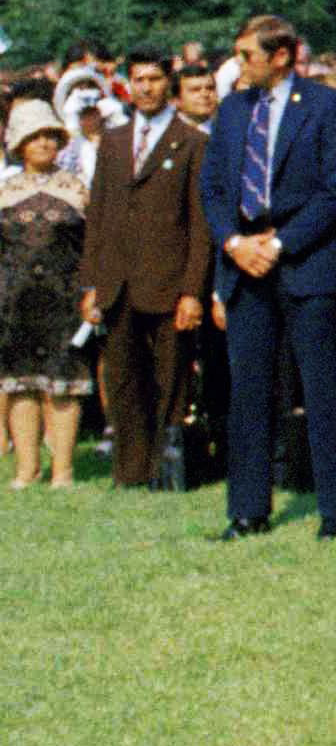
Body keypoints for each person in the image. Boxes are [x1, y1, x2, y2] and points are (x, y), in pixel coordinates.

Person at [204, 17, 336, 539]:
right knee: (248, 391)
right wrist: (234, 243)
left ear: (280, 56)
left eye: (247, 54)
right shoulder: (233, 109)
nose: (238, 64)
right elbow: (213, 188)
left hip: (306, 262)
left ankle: (335, 506)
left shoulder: (325, 106)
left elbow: (335, 191)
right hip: (245, 264)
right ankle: (248, 509)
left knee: (320, 387)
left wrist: (278, 244)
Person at [76, 49, 211, 490]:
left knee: (171, 377)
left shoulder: (191, 141)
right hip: (118, 281)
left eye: (154, 79)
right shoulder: (113, 142)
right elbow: (98, 216)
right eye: (138, 79)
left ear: (168, 84)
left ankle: (167, 470)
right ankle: (130, 471)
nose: (146, 87)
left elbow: (200, 225)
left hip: (169, 281)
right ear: (128, 84)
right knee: (122, 377)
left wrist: (192, 291)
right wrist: (91, 282)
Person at [0, 99, 94, 488]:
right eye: (34, 136)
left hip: (65, 301)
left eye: (49, 136)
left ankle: (63, 470)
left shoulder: (77, 189)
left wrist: (93, 291)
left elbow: (94, 247)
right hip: (13, 303)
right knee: (21, 385)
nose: (43, 143)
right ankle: (27, 469)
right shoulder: (5, 192)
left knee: (62, 386)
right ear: (19, 144)